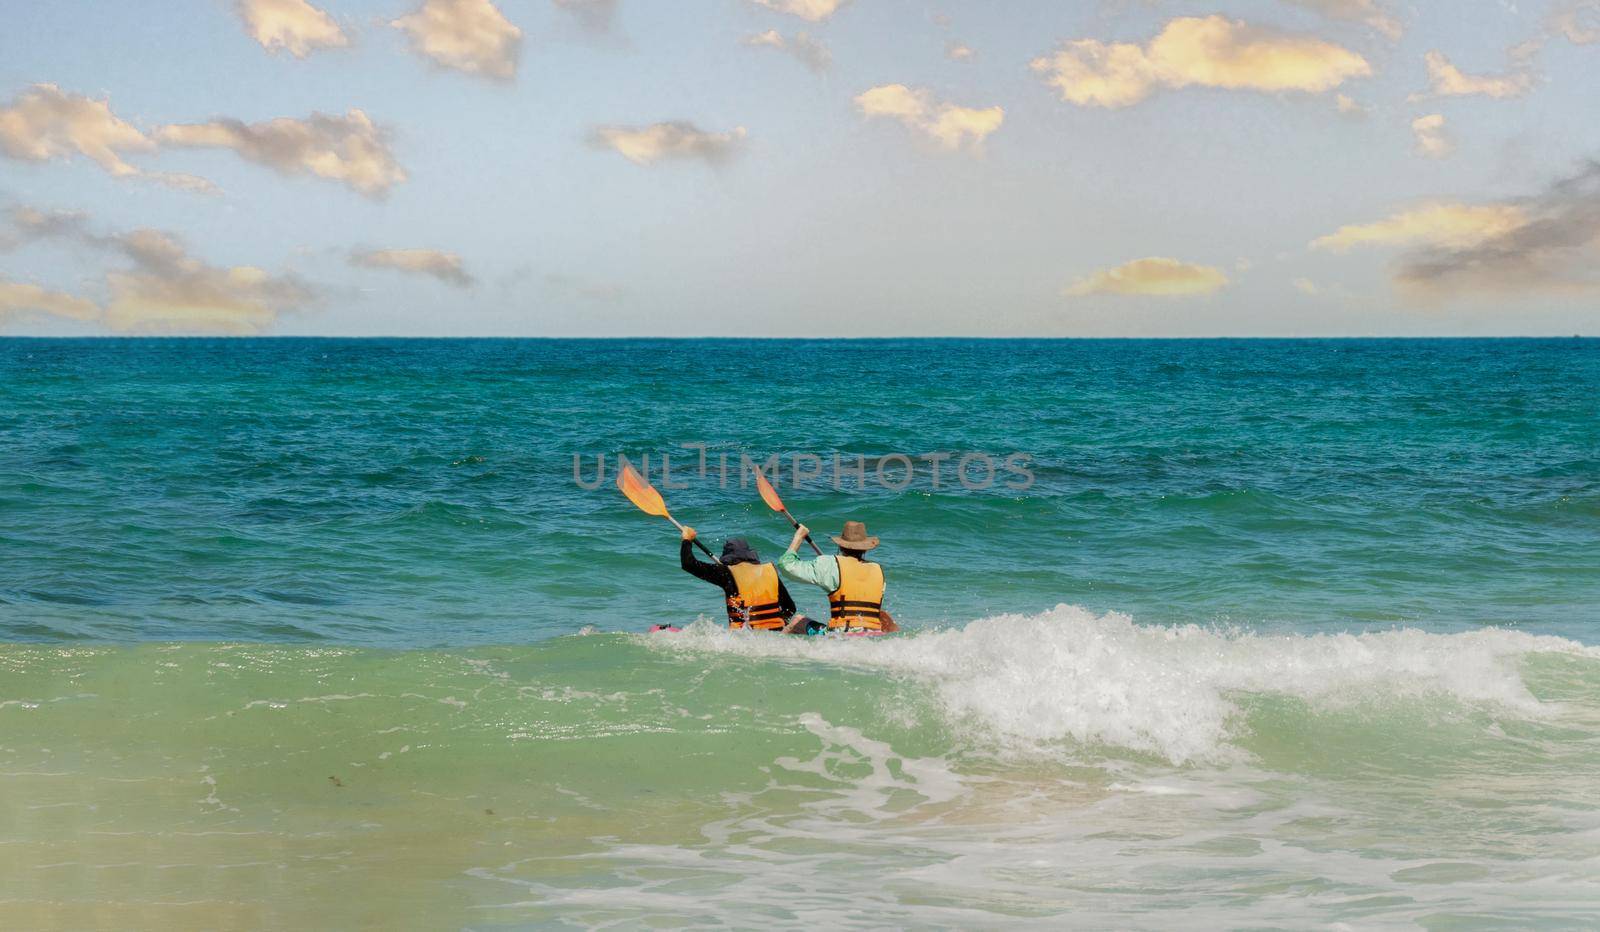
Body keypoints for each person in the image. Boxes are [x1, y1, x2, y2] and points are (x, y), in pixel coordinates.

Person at [679, 527, 812, 633]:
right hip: (775, 635)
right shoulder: (769, 571)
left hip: (745, 638)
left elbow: (688, 564)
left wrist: (686, 540)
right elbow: (790, 608)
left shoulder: (726, 573)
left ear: (728, 558)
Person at [776, 520, 896, 634]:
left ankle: (779, 651)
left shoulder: (830, 564)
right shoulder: (878, 570)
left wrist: (799, 537)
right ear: (865, 548)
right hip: (873, 635)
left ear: (841, 546)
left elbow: (786, 566)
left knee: (798, 621)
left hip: (841, 635)